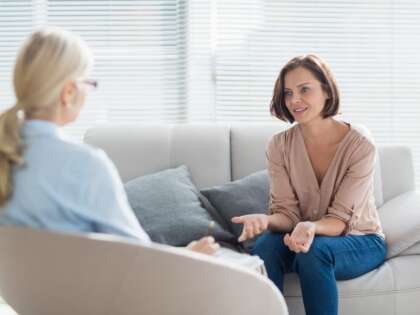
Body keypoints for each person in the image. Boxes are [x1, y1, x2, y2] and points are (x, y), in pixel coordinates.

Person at [0, 27, 218, 256]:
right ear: (68, 93)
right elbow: (138, 263)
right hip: (79, 291)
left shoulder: (8, 153)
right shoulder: (85, 165)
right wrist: (190, 256)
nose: (89, 91)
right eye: (88, 83)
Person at [231, 54, 386, 315]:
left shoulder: (360, 147)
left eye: (304, 89)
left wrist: (310, 226)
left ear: (326, 90)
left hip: (359, 240)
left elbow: (339, 221)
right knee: (265, 245)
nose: (294, 100)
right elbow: (287, 213)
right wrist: (266, 221)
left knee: (315, 251)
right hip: (303, 238)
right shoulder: (279, 145)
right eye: (288, 93)